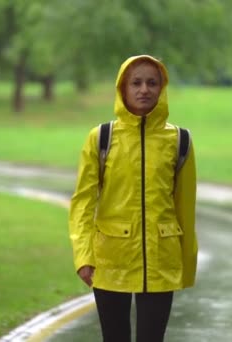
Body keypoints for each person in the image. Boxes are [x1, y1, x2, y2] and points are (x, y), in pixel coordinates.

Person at [68, 54, 198, 342]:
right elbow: (83, 201)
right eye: (136, 83)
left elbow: (185, 209)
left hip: (161, 259)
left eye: (152, 83)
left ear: (161, 88)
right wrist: (83, 255)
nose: (144, 89)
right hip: (110, 259)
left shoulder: (180, 141)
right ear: (122, 89)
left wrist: (186, 264)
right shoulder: (100, 138)